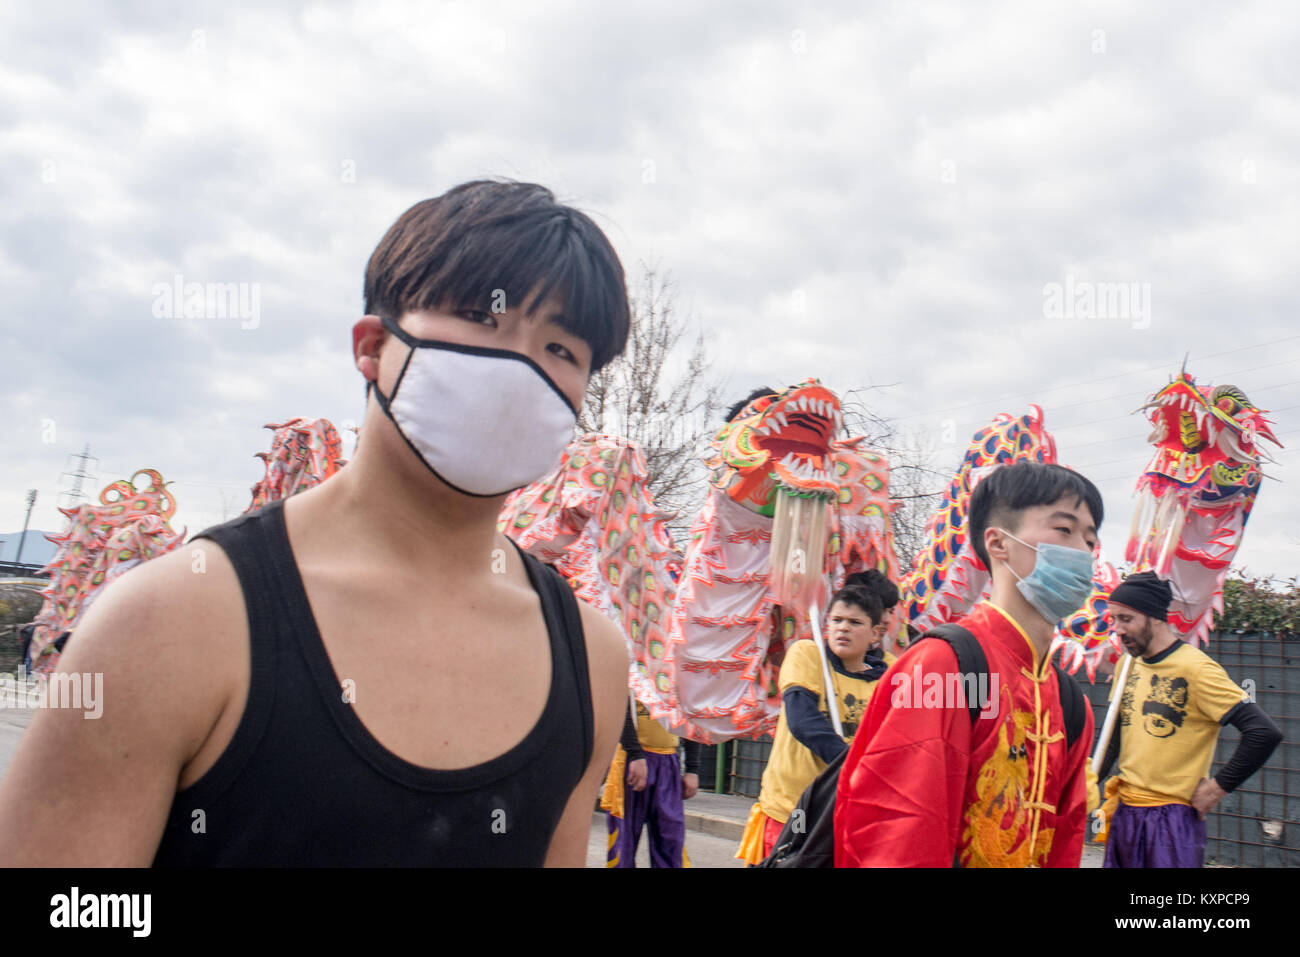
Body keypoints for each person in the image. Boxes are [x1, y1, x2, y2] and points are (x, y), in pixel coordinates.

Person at [0, 180, 633, 866]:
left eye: (562, 350)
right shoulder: (170, 619)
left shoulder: (592, 657)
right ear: (372, 347)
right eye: (481, 316)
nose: (519, 367)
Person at [836, 461, 1100, 868]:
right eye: (1063, 530)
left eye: (1090, 539)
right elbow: (897, 832)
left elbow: (1063, 842)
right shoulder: (950, 667)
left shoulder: (1070, 703)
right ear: (998, 543)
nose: (1082, 551)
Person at [1096, 571, 1283, 868]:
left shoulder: (1196, 669)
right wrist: (1088, 781)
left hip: (1171, 819)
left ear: (1154, 617)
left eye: (1126, 619)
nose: (1117, 629)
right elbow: (1114, 736)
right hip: (1125, 810)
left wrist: (1216, 788)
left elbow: (1263, 732)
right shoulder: (1126, 665)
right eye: (1113, 620)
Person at [737, 584, 888, 864]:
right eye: (837, 620)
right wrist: (852, 764)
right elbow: (803, 720)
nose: (843, 628)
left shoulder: (888, 679)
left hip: (846, 811)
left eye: (855, 623)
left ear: (876, 633)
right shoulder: (808, 654)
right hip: (793, 810)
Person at [602, 697, 702, 867]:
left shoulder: (680, 673)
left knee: (671, 838)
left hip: (667, 762)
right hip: (631, 761)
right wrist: (635, 755)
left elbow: (691, 714)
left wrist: (692, 769)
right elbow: (619, 709)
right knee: (624, 840)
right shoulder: (630, 670)